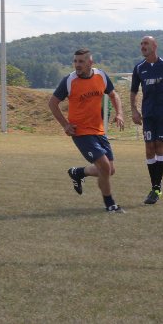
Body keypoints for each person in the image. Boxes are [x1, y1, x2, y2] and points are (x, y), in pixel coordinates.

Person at [48, 48, 126, 213]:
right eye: (75, 61)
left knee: (110, 170)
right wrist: (65, 125)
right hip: (81, 132)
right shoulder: (69, 80)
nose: (77, 65)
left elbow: (114, 95)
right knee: (104, 166)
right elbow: (52, 103)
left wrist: (119, 113)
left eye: (81, 61)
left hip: (99, 131)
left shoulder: (101, 76)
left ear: (90, 62)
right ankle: (110, 204)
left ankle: (78, 172)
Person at [129, 36, 163, 205]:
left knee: (159, 146)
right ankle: (155, 187)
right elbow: (133, 91)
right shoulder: (139, 68)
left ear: (154, 46)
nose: (142, 46)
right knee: (149, 149)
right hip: (148, 113)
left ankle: (156, 188)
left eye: (146, 43)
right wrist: (134, 110)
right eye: (141, 44)